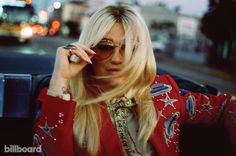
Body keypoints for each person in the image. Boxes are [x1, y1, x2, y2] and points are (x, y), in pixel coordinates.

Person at [34, 5, 236, 156]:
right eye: (105, 46)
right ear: (89, 49)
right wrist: (59, 80)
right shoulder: (66, 102)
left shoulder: (165, 93)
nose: (118, 59)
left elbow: (228, 105)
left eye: (131, 48)